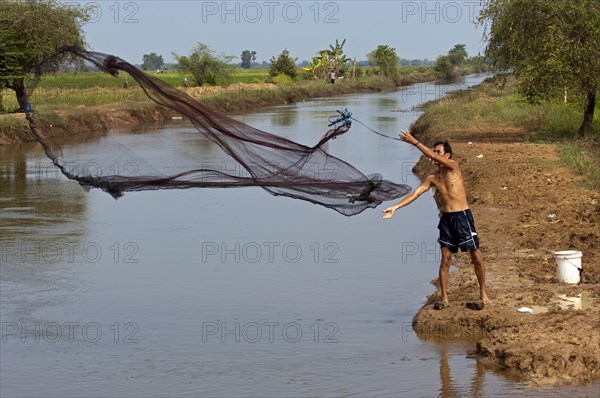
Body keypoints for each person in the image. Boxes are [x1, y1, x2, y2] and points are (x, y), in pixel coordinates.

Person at [382, 130, 489, 309]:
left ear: (447, 155)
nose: (435, 155)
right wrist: (395, 207)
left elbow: (430, 155)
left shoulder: (453, 167)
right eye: (435, 152)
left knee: (476, 256)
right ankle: (444, 298)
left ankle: (483, 294)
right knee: (445, 259)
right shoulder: (433, 177)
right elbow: (415, 194)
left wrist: (414, 141)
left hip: (462, 217)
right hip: (446, 219)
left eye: (438, 152)